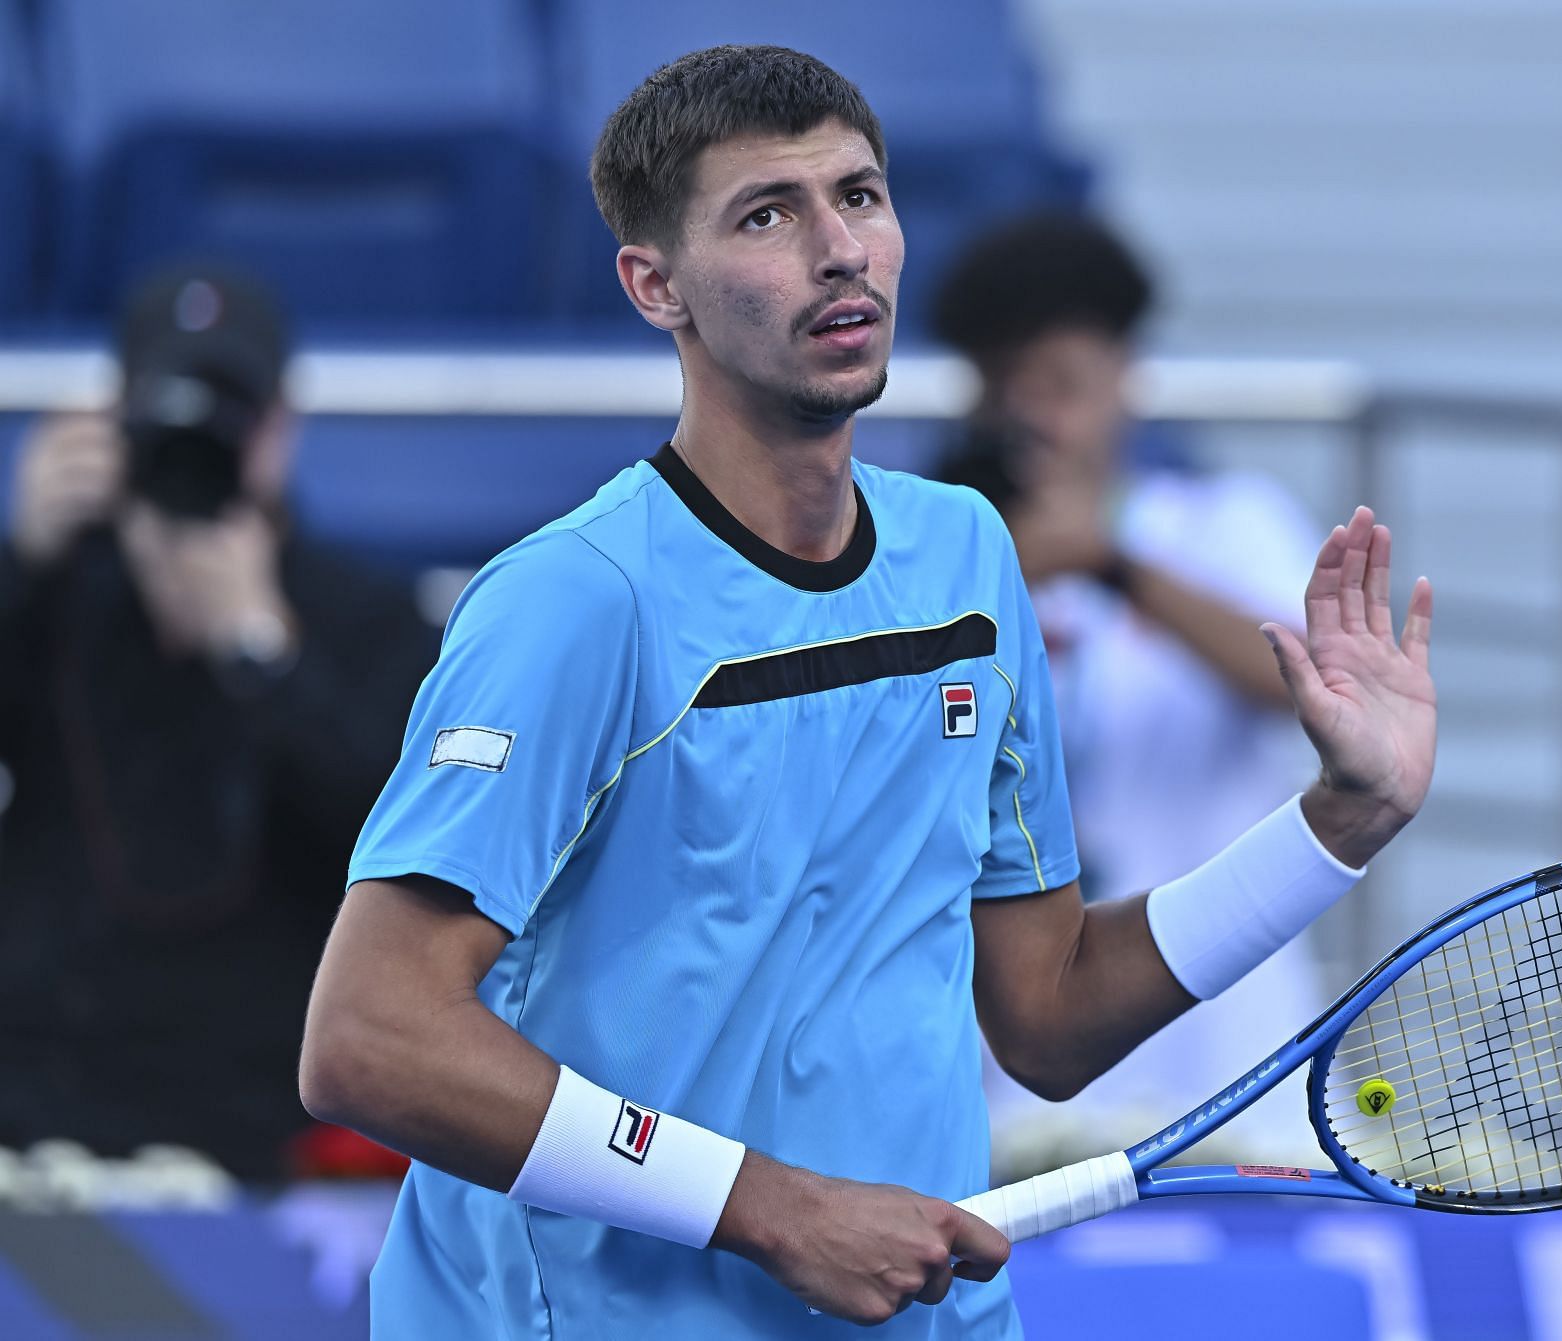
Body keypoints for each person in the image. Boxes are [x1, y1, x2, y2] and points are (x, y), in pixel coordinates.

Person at [299, 45, 1436, 1337]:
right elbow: (371, 1035)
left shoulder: (967, 561)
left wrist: (1340, 824)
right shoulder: (575, 601)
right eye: (768, 214)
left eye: (861, 195)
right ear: (652, 284)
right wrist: (775, 1208)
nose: (839, 248)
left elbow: (1049, 1012)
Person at [0, 264, 439, 1180]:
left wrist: (260, 651)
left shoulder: (367, 620)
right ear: (115, 418)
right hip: (32, 1099)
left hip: (257, 1126)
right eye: (171, 407)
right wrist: (23, 560)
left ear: (280, 427)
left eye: (229, 410)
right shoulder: (47, 599)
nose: (200, 438)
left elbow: (411, 857)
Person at [932, 214, 1334, 1171]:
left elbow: (1311, 685)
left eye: (1063, 385)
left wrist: (1114, 565)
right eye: (1009, 391)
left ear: (1126, 373)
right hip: (1019, 1092)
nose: (1041, 421)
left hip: (1234, 1059)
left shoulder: (1223, 523)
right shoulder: (947, 557)